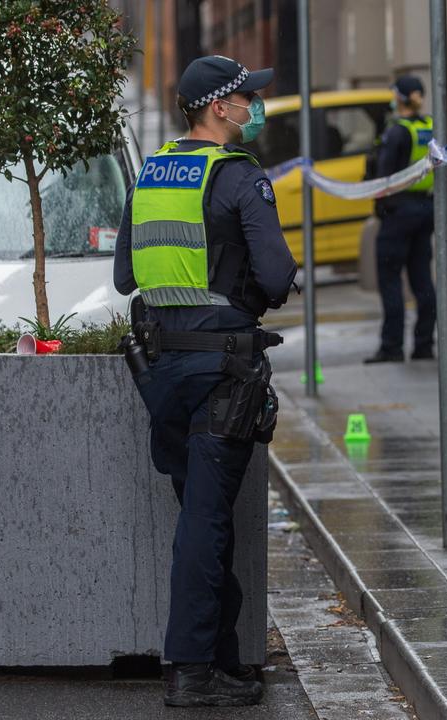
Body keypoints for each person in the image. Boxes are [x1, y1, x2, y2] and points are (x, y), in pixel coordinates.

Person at [113, 55, 298, 706]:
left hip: (161, 369)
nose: (253, 106)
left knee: (201, 512)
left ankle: (223, 660)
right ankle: (190, 668)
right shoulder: (240, 179)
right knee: (207, 520)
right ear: (218, 107)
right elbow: (276, 279)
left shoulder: (153, 175)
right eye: (245, 98)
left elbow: (123, 280)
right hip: (223, 371)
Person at [364, 74, 436, 364]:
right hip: (424, 208)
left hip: (397, 212)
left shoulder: (396, 132)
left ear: (402, 97)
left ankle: (391, 347)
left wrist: (379, 205)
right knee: (422, 279)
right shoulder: (430, 127)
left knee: (390, 279)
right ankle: (423, 345)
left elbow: (385, 177)